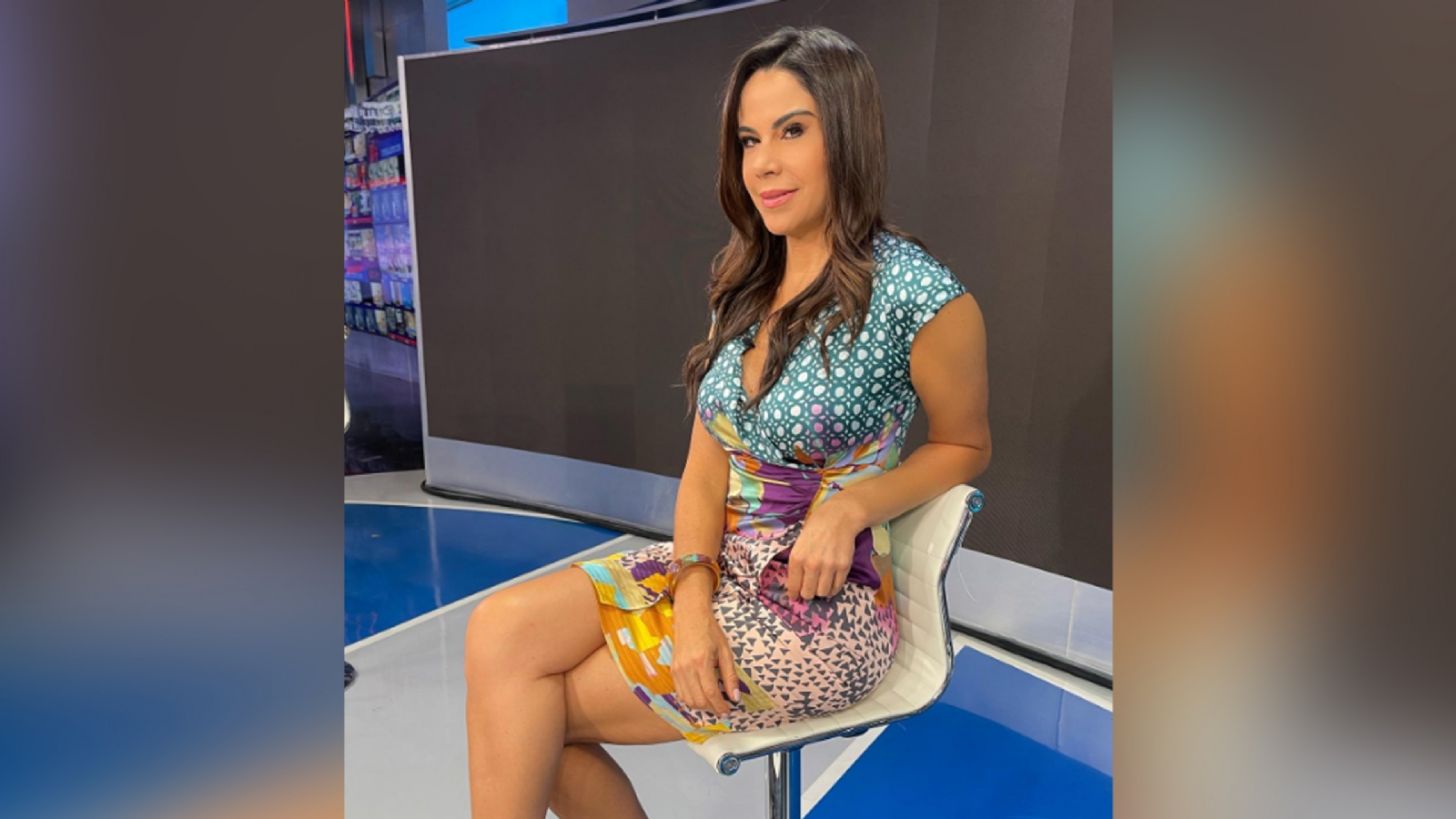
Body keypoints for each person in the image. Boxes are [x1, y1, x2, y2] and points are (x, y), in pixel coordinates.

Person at [463, 25, 991, 819]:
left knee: (531, 717)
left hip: (821, 610)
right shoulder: (745, 282)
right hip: (725, 565)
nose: (763, 164)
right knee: (498, 632)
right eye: (749, 140)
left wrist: (851, 505)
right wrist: (693, 599)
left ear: (847, 134)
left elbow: (965, 444)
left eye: (792, 131)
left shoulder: (920, 294)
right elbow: (704, 471)